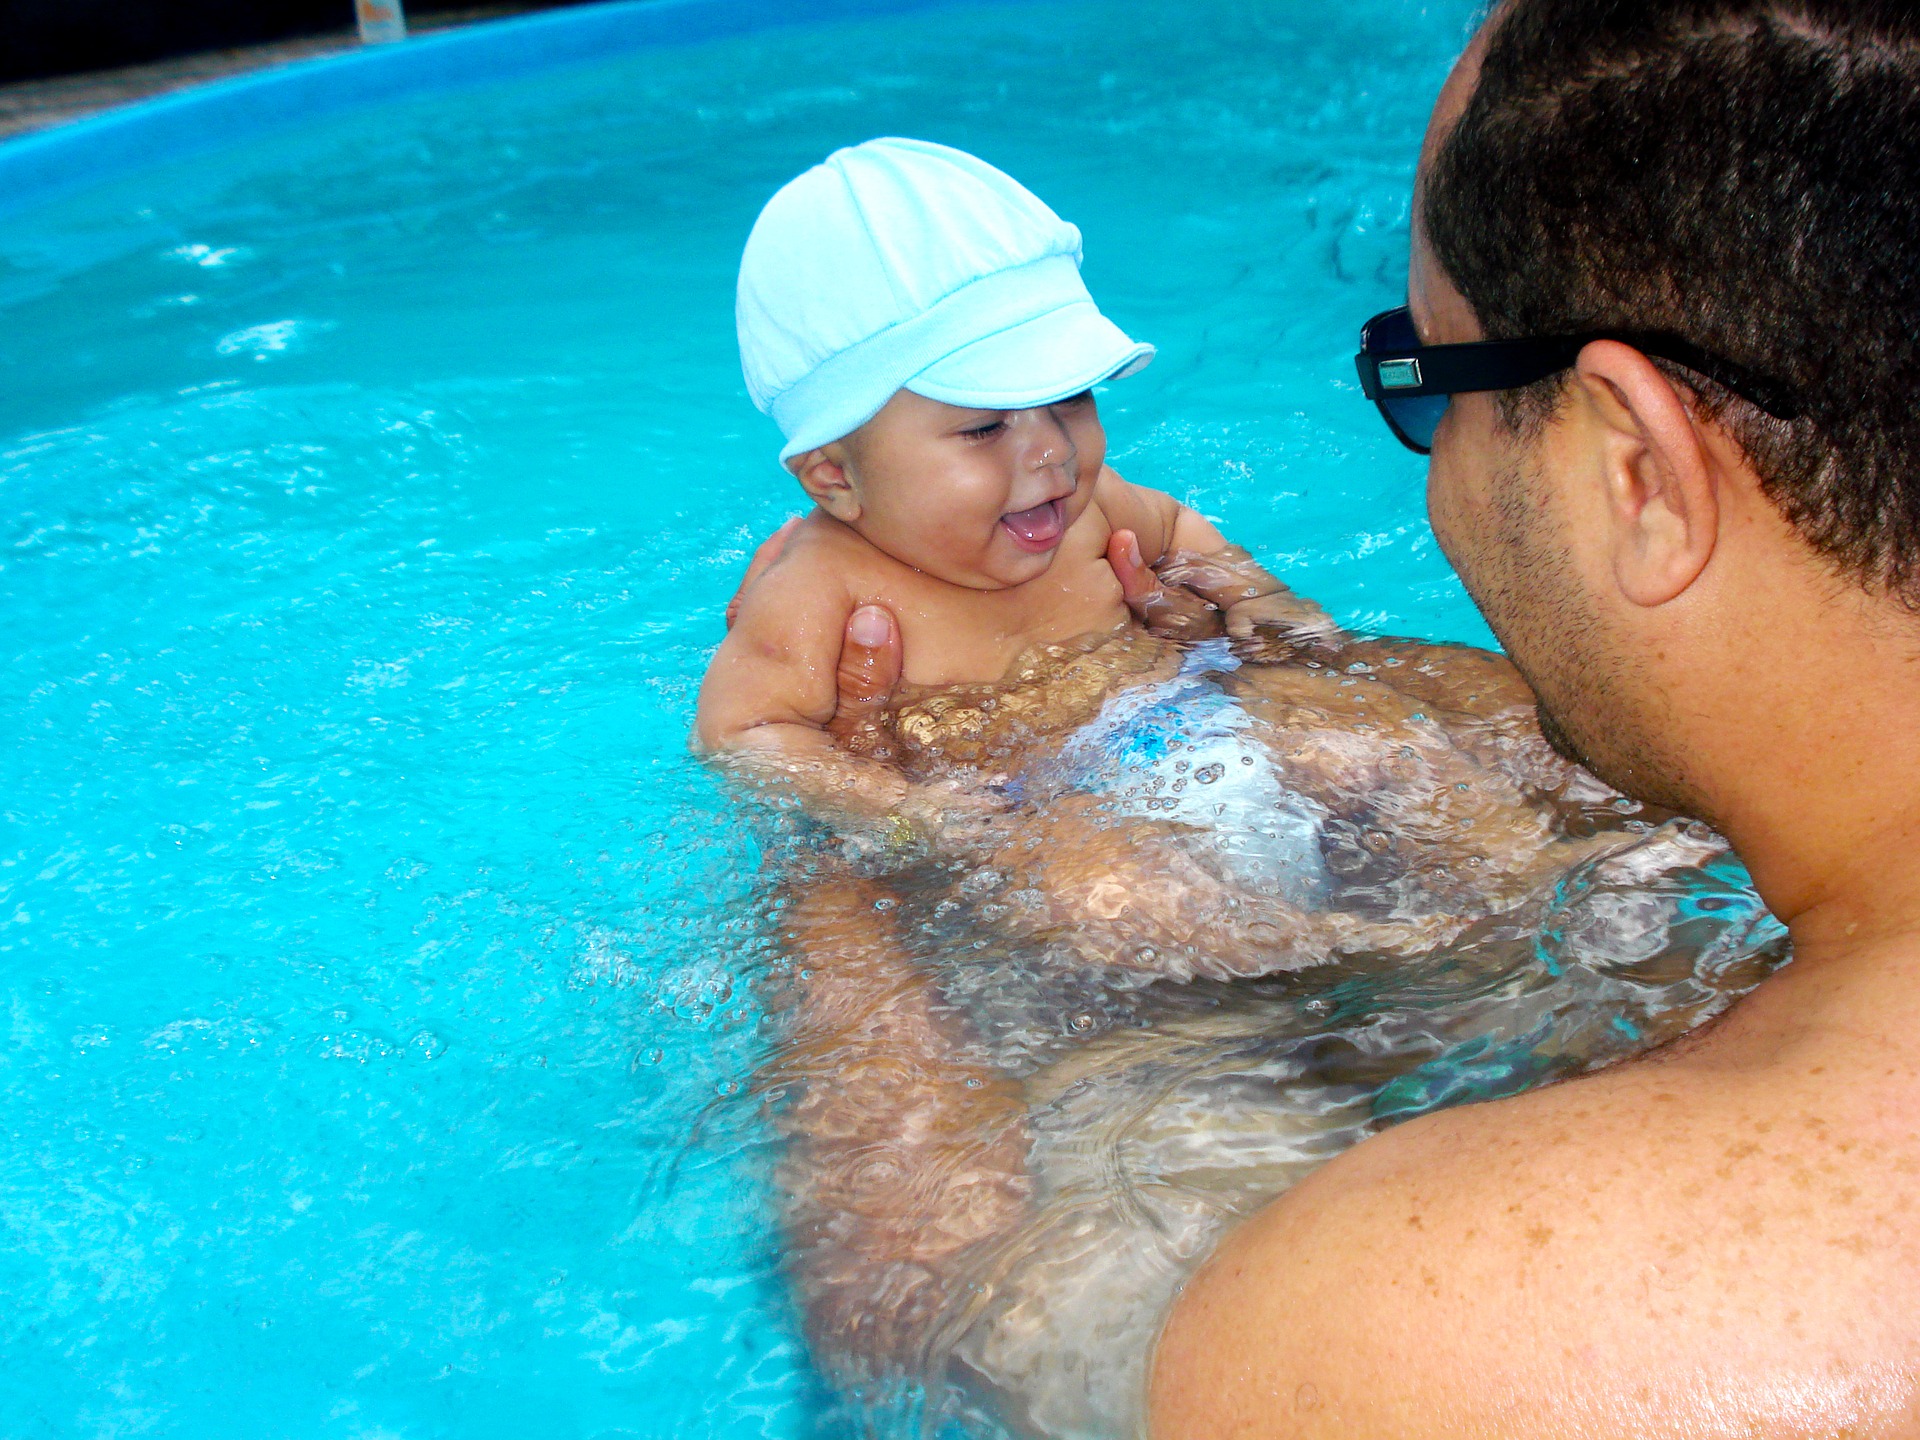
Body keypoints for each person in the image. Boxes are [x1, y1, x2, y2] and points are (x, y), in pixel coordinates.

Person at [750, 0, 1920, 1432]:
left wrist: (852, 880)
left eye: (1423, 382)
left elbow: (931, 1322)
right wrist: (1309, 668)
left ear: (1637, 473)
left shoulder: (1379, 1333)